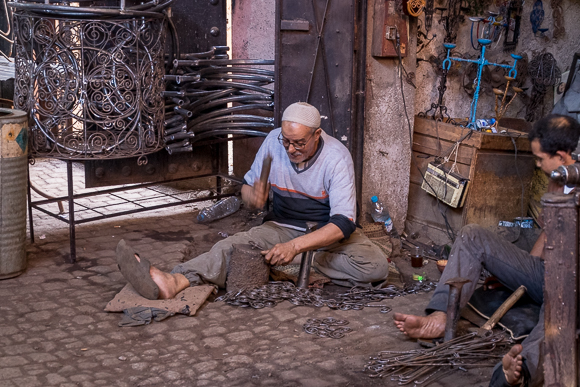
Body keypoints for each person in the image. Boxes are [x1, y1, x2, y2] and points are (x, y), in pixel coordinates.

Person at [116, 102, 389, 301]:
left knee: (375, 266)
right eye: (287, 141)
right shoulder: (273, 142)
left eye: (299, 143)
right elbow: (248, 188)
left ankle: (298, 260)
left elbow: (343, 223)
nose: (291, 149)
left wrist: (296, 247)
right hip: (281, 227)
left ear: (317, 135)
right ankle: (174, 280)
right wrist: (252, 196)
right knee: (233, 247)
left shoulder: (337, 158)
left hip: (325, 234)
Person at [393, 114, 580, 387]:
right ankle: (441, 318)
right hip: (547, 273)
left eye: (540, 159)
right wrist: (519, 275)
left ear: (562, 157)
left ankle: (517, 372)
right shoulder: (558, 180)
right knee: (472, 235)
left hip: (570, 287)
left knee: (554, 327)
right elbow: (548, 232)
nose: (538, 165)